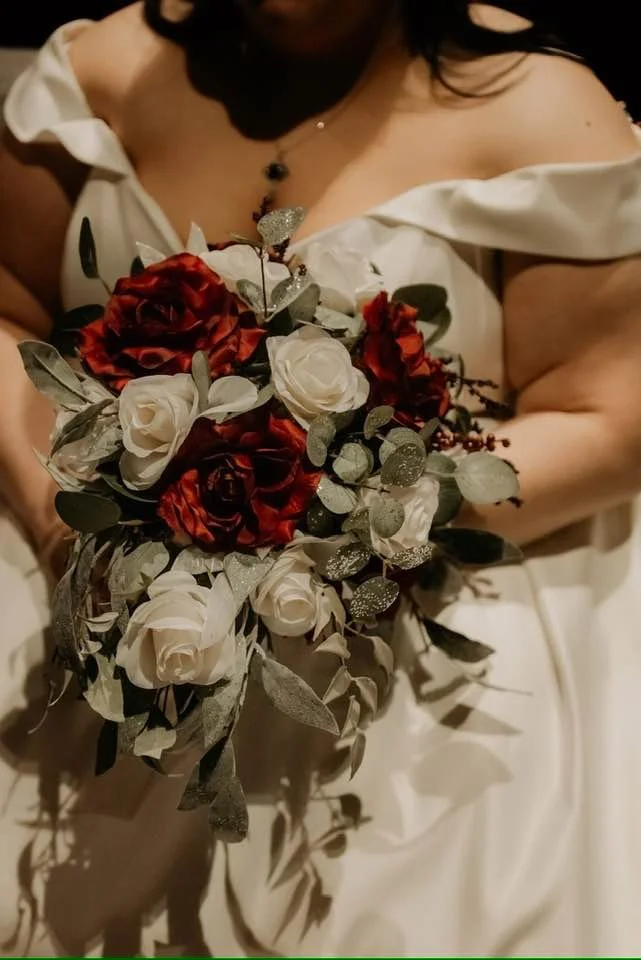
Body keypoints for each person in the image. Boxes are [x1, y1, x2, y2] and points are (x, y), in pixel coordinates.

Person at [1, 0, 641, 955]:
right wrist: (66, 524)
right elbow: (9, 313)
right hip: (85, 555)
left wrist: (338, 524)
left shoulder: (541, 112)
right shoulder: (95, 75)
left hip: (417, 591)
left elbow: (608, 421)